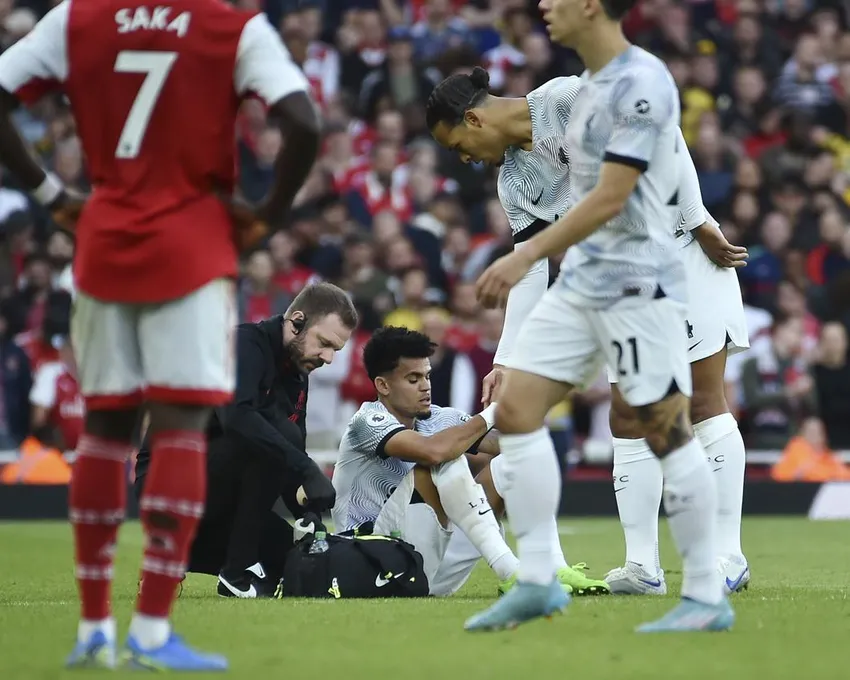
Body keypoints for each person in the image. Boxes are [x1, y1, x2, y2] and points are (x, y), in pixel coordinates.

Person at [0, 0, 321, 671]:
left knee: (104, 431)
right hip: (194, 246)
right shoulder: (230, 26)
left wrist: (53, 192)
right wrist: (265, 215)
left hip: (103, 241)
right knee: (177, 431)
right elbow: (302, 120)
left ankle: (93, 627)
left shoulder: (77, 19)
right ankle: (150, 631)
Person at [427, 64, 749, 600]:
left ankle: (728, 555)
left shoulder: (566, 99)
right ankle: (642, 566)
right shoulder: (514, 180)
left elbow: (662, 131)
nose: (462, 157)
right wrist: (505, 360)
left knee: (701, 404)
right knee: (626, 412)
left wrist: (698, 221)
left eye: (456, 143)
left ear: (474, 118)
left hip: (680, 251)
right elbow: (531, 268)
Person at [331, 327, 606, 597]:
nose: (426, 386)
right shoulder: (366, 422)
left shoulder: (439, 418)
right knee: (439, 461)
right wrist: (493, 411)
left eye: (427, 376)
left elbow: (512, 443)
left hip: (429, 565)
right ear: (383, 385)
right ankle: (512, 572)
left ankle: (550, 566)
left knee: (517, 458)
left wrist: (526, 398)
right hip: (372, 561)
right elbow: (433, 452)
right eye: (413, 379)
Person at [135, 283, 356, 598]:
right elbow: (236, 419)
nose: (330, 358)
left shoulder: (297, 374)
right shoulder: (243, 345)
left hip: (219, 489)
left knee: (292, 556)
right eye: (324, 343)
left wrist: (306, 512)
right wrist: (308, 470)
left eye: (336, 349)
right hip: (166, 482)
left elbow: (291, 455)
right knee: (272, 432)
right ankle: (236, 573)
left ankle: (170, 556)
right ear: (296, 321)